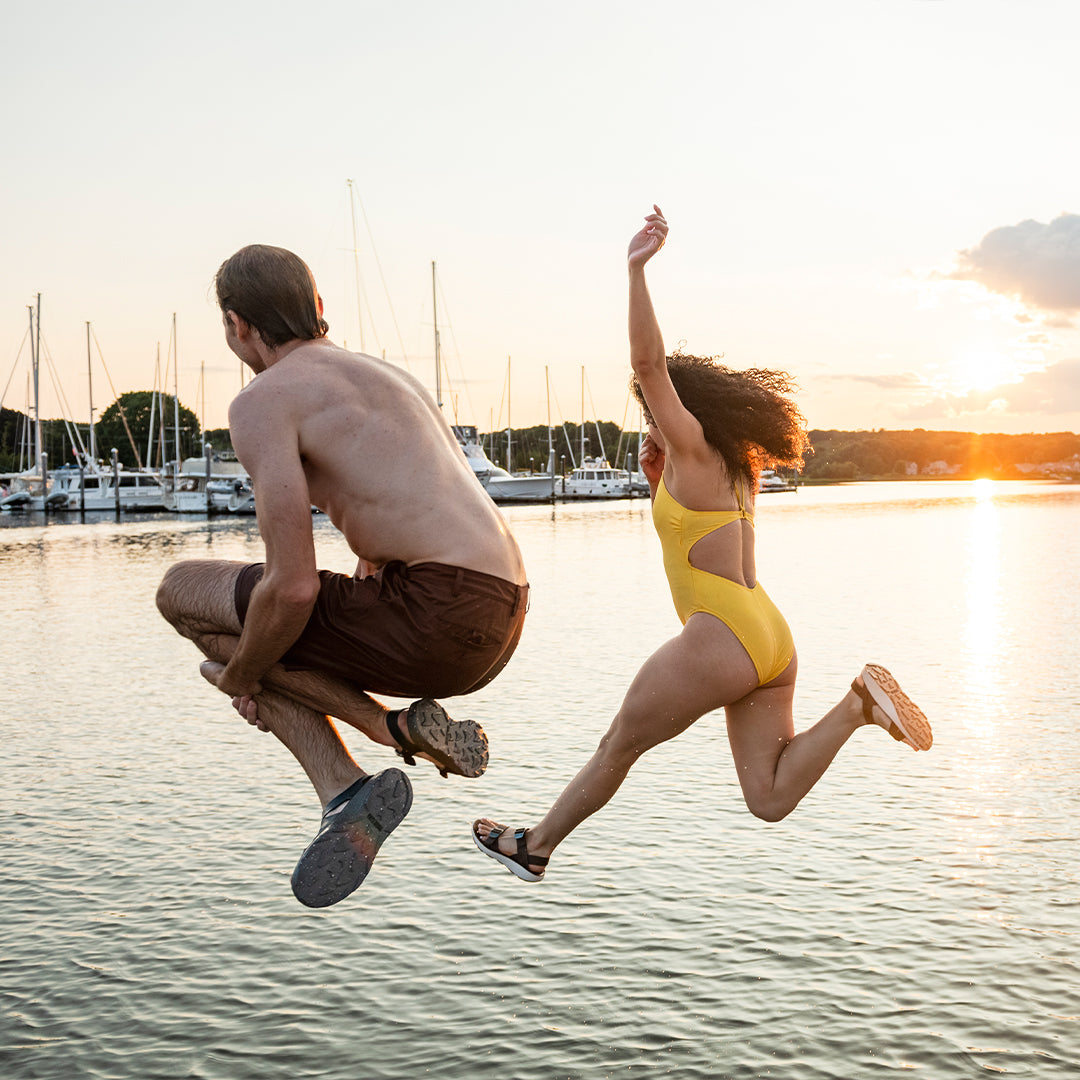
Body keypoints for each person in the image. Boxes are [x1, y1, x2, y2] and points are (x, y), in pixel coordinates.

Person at [472, 206, 931, 882]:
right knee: (769, 797)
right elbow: (694, 516)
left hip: (721, 636)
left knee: (616, 748)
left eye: (655, 409)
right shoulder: (733, 462)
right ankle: (859, 704)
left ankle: (535, 846)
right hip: (768, 635)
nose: (650, 419)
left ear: (679, 409)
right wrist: (660, 476)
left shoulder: (691, 448)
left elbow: (646, 361)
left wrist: (635, 271)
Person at [156, 244, 529, 907]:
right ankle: (373, 755)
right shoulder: (385, 378)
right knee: (253, 641)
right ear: (318, 308)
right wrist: (257, 662)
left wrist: (242, 679)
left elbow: (293, 586)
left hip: (432, 612)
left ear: (237, 325)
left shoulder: (263, 403)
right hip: (502, 614)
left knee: (184, 598)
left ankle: (363, 758)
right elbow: (382, 543)